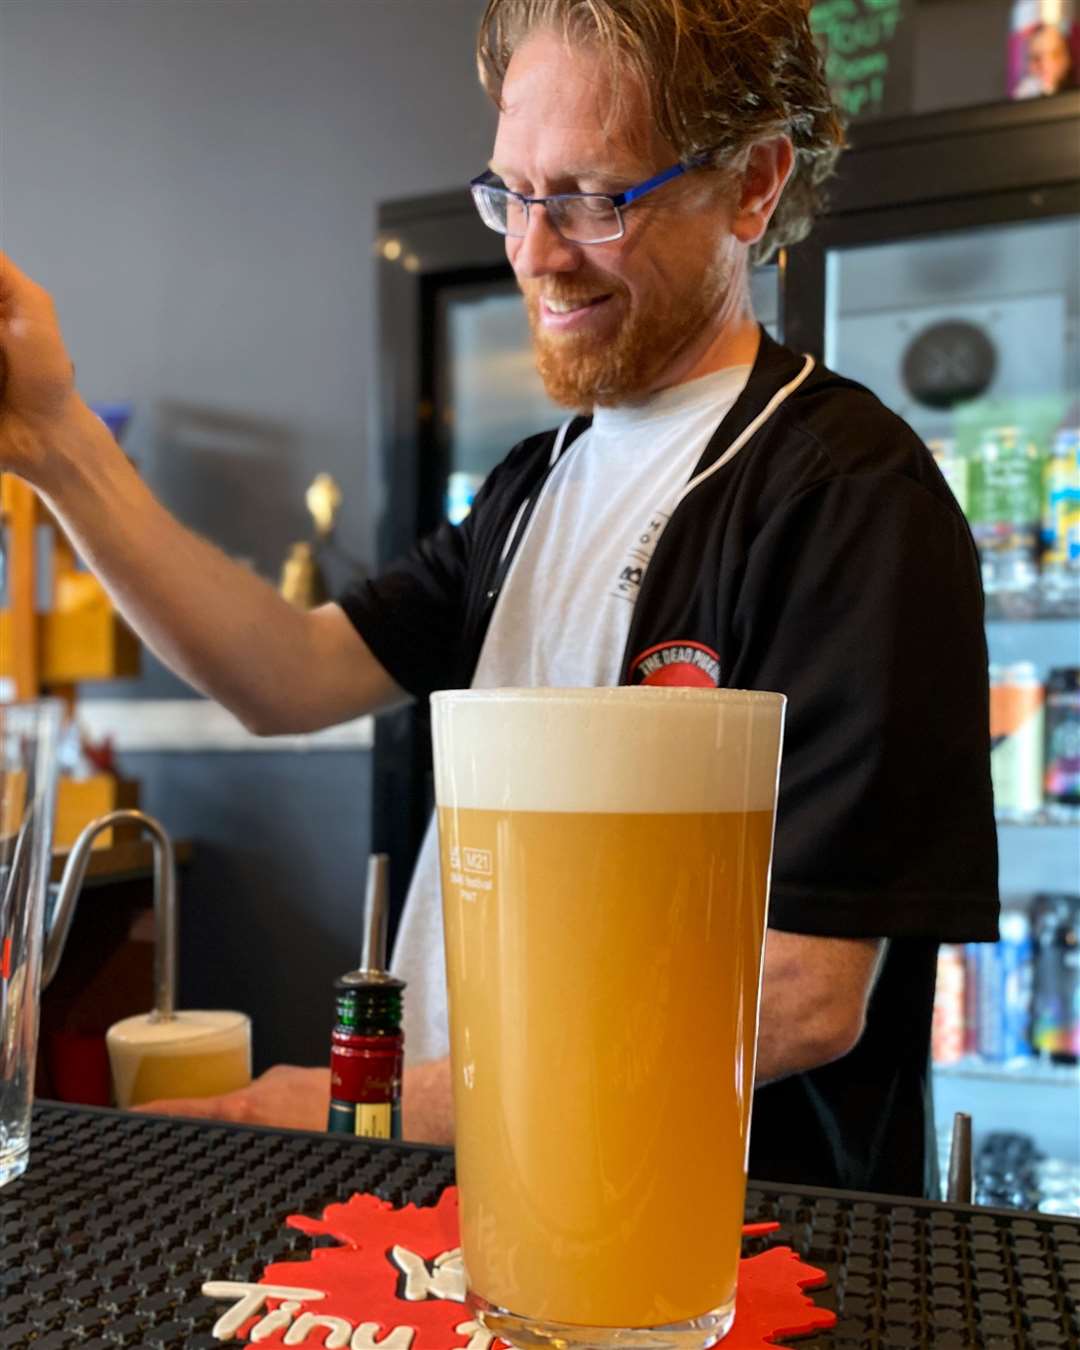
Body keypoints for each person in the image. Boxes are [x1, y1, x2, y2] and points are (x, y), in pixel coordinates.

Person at [0, 0, 997, 1197]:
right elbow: (288, 674)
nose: (532, 251)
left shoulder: (846, 493)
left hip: (722, 1251)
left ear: (753, 185)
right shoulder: (536, 483)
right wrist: (56, 441)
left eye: (593, 198)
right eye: (513, 194)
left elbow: (801, 994)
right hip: (483, 1207)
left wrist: (370, 1107)